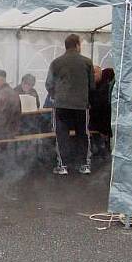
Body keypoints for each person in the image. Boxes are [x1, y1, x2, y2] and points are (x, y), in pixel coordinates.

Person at [45, 34, 95, 175]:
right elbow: (92, 86)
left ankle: (63, 165)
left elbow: (49, 84)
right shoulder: (87, 62)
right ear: (77, 45)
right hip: (81, 105)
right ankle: (84, 165)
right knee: (83, 134)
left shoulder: (56, 62)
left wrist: (56, 95)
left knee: (62, 135)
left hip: (61, 105)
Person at [89, 67, 115, 159]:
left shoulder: (103, 86)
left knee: (91, 125)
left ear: (99, 74)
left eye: (94, 74)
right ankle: (102, 148)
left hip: (103, 117)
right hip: (104, 116)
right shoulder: (105, 84)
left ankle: (102, 148)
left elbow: (98, 103)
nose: (92, 77)